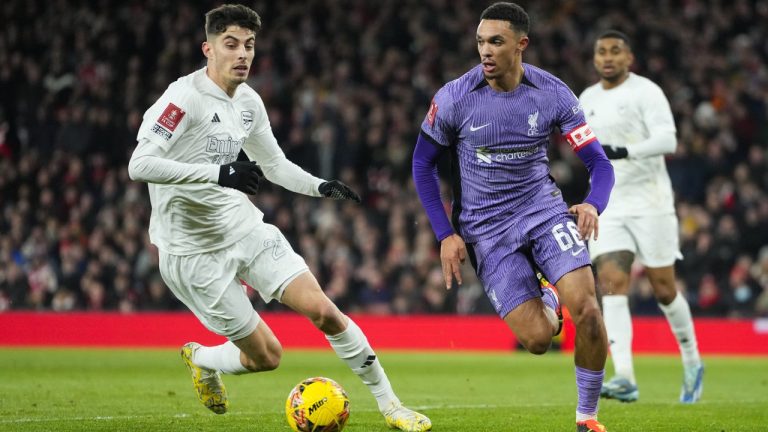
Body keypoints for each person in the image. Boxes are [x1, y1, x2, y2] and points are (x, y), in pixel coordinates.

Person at [127, 5, 431, 431]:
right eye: (231, 44)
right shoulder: (182, 99)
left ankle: (392, 406)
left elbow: (273, 165)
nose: (242, 54)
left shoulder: (249, 102)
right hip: (191, 252)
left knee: (325, 312)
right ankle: (202, 357)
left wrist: (320, 186)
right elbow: (139, 165)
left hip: (244, 229)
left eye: (249, 45)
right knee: (267, 356)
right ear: (208, 49)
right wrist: (218, 173)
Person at [412, 3, 615, 431]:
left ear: (521, 44)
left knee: (589, 312)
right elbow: (421, 164)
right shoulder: (454, 98)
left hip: (544, 211)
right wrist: (445, 233)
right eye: (480, 42)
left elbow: (599, 163)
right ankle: (549, 297)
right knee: (538, 340)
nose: (485, 51)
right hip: (486, 230)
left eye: (496, 42)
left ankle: (587, 418)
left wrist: (593, 203)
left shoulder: (553, 93)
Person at [579, 30, 704, 404]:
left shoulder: (647, 92)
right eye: (602, 51)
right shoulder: (586, 99)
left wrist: (623, 150)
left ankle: (692, 361)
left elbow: (668, 140)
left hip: (651, 202)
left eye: (615, 51)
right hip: (610, 203)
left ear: (629, 57)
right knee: (611, 283)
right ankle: (625, 377)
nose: (608, 57)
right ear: (594, 58)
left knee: (664, 289)